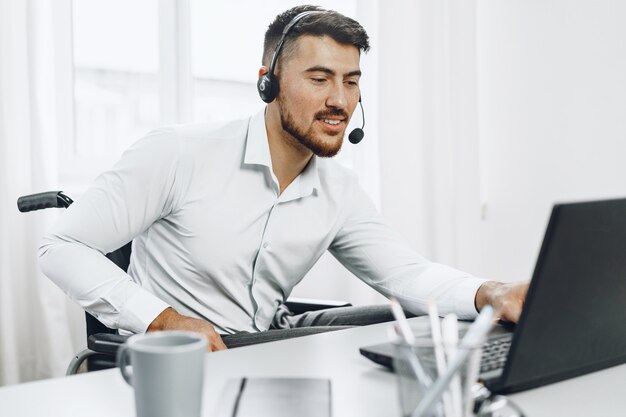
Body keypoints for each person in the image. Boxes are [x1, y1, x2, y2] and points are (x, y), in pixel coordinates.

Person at [39, 5, 528, 352]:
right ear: (267, 83)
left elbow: (405, 274)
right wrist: (158, 320)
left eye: (351, 80)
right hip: (191, 354)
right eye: (320, 79)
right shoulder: (179, 152)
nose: (340, 99)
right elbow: (59, 244)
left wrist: (491, 291)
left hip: (269, 335)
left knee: (433, 321)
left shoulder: (340, 190)